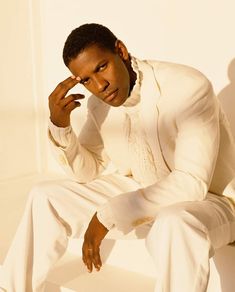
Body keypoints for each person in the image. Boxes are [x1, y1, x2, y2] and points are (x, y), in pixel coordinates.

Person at [1, 22, 235, 292]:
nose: (100, 85)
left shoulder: (188, 86)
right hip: (143, 189)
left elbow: (191, 184)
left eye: (101, 67)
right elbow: (88, 170)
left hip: (212, 203)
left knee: (175, 221)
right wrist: (60, 125)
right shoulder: (99, 103)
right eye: (86, 80)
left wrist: (108, 215)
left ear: (120, 51)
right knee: (45, 196)